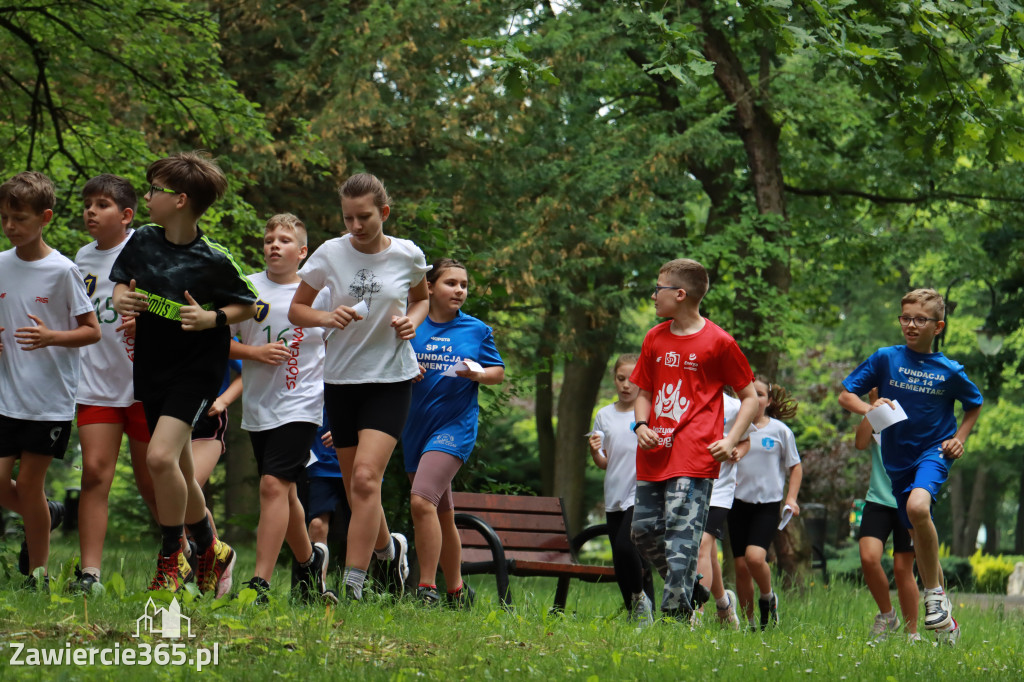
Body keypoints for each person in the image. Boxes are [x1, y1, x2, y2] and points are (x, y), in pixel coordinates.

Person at [111, 151, 258, 595]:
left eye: (155, 189)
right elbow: (120, 281)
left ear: (181, 200)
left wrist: (212, 319)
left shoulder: (214, 258)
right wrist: (120, 299)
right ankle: (213, 548)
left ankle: (174, 556)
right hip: (152, 365)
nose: (148, 195)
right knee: (176, 464)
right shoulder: (142, 241)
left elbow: (250, 304)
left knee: (159, 459)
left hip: (196, 371)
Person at [289, 173, 428, 601]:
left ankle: (354, 582)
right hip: (342, 381)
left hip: (390, 379)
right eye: (348, 217)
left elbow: (421, 298)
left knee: (367, 479)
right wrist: (327, 318)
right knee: (355, 487)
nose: (355, 226)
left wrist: (413, 322)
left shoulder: (408, 255)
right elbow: (297, 311)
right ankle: (390, 550)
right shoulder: (330, 254)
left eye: (364, 217)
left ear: (383, 213)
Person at [839, 288, 982, 646]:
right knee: (917, 530)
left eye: (920, 319)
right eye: (906, 318)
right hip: (896, 462)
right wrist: (868, 410)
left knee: (918, 507)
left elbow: (974, 403)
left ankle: (934, 595)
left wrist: (959, 438)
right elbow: (846, 394)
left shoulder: (949, 370)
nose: (911, 325)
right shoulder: (886, 358)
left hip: (933, 453)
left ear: (939, 326)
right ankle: (947, 623)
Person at [629, 258, 758, 625]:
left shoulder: (719, 342)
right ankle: (693, 590)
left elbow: (749, 397)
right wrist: (640, 425)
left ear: (680, 294)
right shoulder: (654, 337)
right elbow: (644, 392)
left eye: (659, 288)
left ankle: (677, 617)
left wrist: (730, 438)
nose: (654, 295)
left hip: (695, 453)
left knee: (682, 539)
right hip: (654, 453)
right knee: (642, 530)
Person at [0, 171, 101, 590]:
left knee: (27, 484)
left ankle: (37, 574)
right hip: (5, 395)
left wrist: (51, 337)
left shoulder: (63, 271)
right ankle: (46, 511)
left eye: (19, 218)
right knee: (15, 488)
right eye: (4, 217)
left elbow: (92, 330)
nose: (9, 226)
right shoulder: (0, 265)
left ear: (45, 217)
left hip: (48, 401)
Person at [231, 213, 332, 604]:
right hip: (260, 405)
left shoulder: (320, 294)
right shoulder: (246, 288)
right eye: (269, 238)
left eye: (285, 240)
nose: (275, 244)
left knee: (272, 485)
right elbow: (217, 340)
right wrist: (254, 352)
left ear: (303, 252)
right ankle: (308, 566)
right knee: (285, 493)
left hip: (304, 404)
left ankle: (260, 583)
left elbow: (340, 351)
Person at [72, 174, 162, 594]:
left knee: (154, 481)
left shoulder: (149, 251)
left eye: (102, 204)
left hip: (145, 384)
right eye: (88, 203)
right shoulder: (80, 259)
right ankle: (89, 574)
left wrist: (148, 320)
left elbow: (180, 307)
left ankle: (201, 552)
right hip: (96, 384)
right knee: (94, 474)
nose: (91, 210)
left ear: (126, 215)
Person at [402, 258, 504, 607]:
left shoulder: (476, 329)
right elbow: (388, 362)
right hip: (415, 427)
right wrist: (406, 369)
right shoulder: (410, 323)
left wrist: (478, 374)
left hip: (454, 427)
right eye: (451, 283)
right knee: (441, 512)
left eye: (463, 284)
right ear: (429, 286)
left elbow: (498, 372)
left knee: (420, 501)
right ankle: (458, 592)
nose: (459, 290)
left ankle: (426, 588)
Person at [729, 376, 802, 630]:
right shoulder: (732, 428)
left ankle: (768, 597)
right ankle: (750, 623)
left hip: (767, 505)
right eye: (748, 393)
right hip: (736, 504)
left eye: (760, 394)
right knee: (740, 567)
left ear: (768, 400)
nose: (755, 398)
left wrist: (791, 498)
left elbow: (795, 467)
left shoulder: (780, 431)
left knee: (754, 557)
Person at [587, 353, 655, 620]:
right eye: (621, 378)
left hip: (641, 492)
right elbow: (605, 462)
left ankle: (639, 601)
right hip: (614, 493)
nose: (626, 385)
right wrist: (595, 453)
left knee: (627, 548)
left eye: (633, 379)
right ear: (614, 380)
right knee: (622, 559)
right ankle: (641, 615)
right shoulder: (604, 415)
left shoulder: (650, 413)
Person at [854, 388, 920, 642]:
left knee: (904, 569)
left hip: (908, 501)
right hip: (878, 500)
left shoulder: (910, 414)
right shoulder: (876, 415)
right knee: (869, 558)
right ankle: (887, 615)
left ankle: (912, 633)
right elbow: (860, 443)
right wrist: (872, 408)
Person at [694, 390, 751, 629]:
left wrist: (738, 451)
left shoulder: (735, 406)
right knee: (705, 552)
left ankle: (694, 612)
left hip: (720, 488)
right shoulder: (688, 398)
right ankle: (724, 605)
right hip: (690, 483)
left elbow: (746, 440)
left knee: (702, 545)